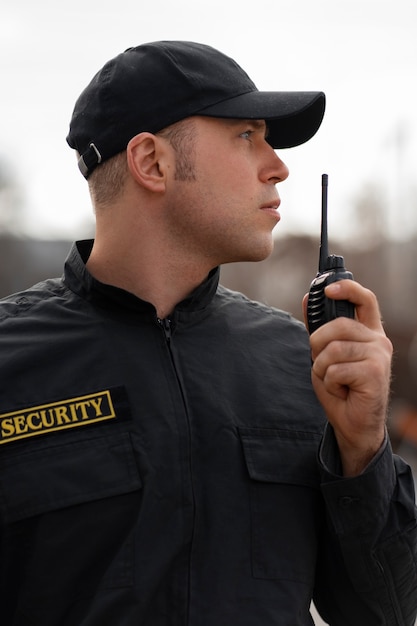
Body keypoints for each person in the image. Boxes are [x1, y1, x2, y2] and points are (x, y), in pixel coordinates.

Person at [0, 40, 416, 626]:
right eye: (247, 135)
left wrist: (363, 450)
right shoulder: (9, 364)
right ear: (152, 162)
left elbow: (385, 612)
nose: (278, 164)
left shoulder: (307, 367)